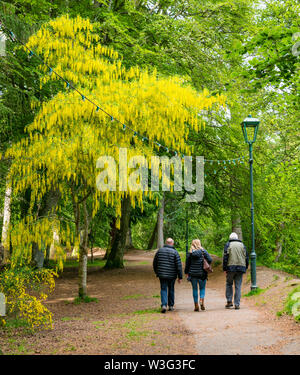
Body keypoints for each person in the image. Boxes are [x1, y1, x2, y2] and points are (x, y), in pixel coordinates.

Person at [153, 238, 183, 313]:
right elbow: (178, 265)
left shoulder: (159, 251)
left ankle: (163, 305)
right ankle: (171, 306)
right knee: (171, 289)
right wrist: (180, 277)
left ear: (166, 243)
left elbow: (155, 263)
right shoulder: (175, 252)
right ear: (172, 243)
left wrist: (157, 272)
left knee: (163, 289)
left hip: (162, 274)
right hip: (172, 275)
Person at [223, 232, 249, 310]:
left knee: (229, 284)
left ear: (230, 238)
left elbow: (225, 257)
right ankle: (237, 304)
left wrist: (224, 268)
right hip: (241, 267)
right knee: (238, 286)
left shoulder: (228, 244)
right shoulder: (242, 245)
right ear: (237, 238)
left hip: (230, 268)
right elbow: (246, 257)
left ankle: (229, 301)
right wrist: (246, 267)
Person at [184, 239, 212, 311]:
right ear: (199, 244)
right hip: (202, 273)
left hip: (193, 274)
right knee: (202, 288)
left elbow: (187, 264)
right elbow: (210, 259)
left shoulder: (190, 253)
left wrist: (186, 273)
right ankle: (201, 300)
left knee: (195, 289)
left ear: (192, 244)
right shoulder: (203, 251)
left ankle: (196, 305)